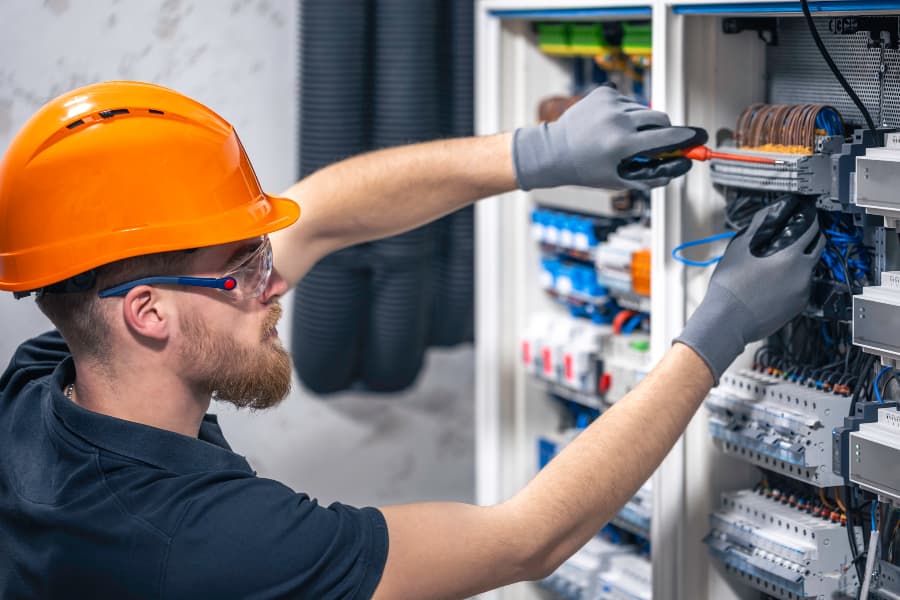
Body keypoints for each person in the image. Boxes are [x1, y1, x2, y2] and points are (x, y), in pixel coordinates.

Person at [0, 81, 823, 599]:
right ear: (148, 314)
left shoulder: (42, 388)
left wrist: (538, 154)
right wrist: (717, 334)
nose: (274, 282)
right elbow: (527, 539)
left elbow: (317, 210)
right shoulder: (204, 546)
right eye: (244, 269)